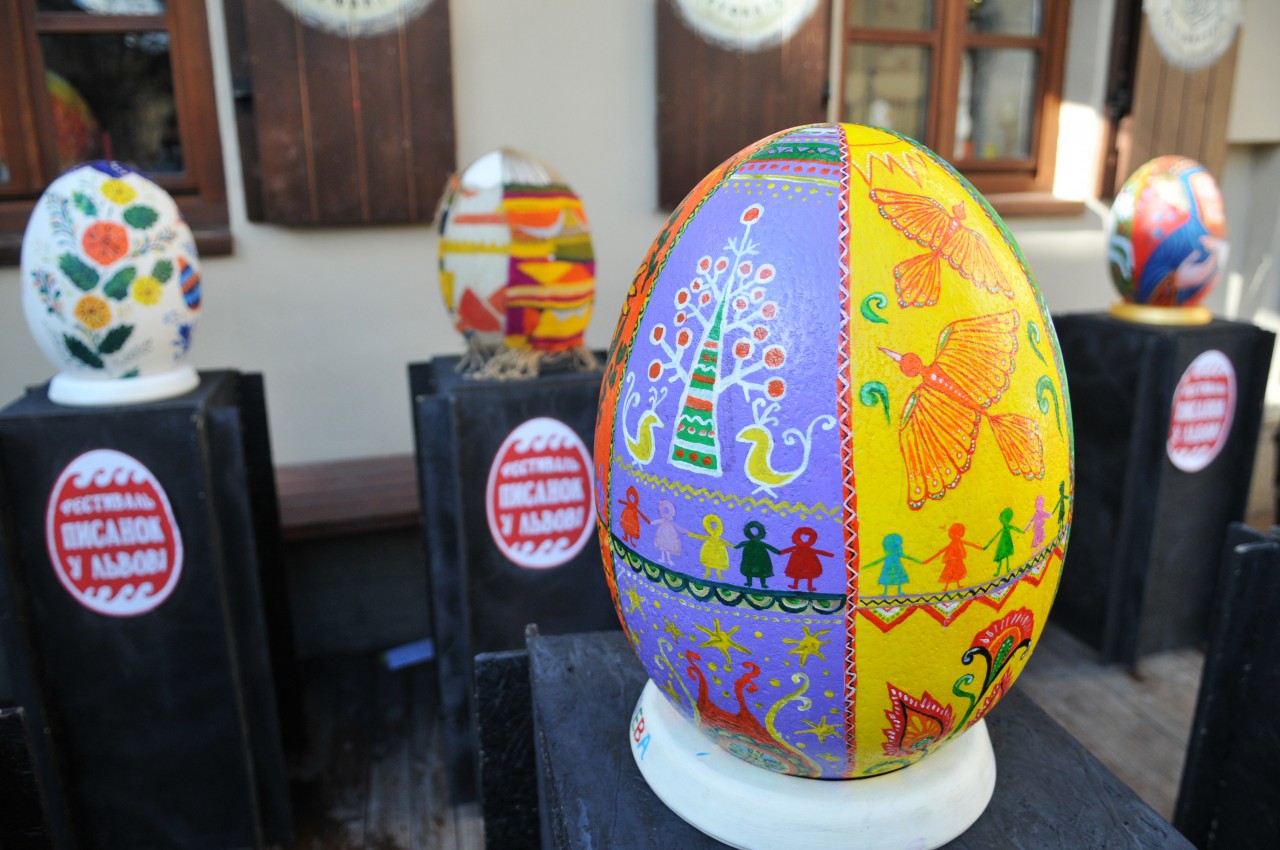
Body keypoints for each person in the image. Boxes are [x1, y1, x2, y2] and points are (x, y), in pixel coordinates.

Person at [924, 523, 982, 591]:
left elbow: (969, 543)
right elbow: (942, 550)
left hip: (957, 559)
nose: (959, 535)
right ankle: (946, 587)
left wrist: (978, 547)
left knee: (957, 571)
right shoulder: (954, 542)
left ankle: (957, 585)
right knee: (950, 572)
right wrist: (929, 559)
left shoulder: (958, 541)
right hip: (952, 560)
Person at [779, 526, 833, 592]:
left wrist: (830, 555)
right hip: (798, 563)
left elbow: (819, 552)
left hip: (809, 563)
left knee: (809, 574)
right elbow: (787, 550)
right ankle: (796, 585)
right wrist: (779, 552)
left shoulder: (808, 549)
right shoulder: (796, 548)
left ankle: (809, 587)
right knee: (797, 573)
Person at [735, 520, 780, 589]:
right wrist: (735, 546)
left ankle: (763, 584)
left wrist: (777, 552)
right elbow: (740, 545)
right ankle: (750, 583)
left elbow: (769, 547)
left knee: (761, 571)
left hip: (760, 558)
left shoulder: (757, 543)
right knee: (749, 570)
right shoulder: (749, 543)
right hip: (749, 558)